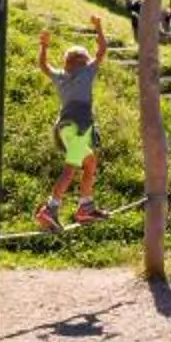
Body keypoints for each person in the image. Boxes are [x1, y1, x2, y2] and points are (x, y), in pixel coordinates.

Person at [36, 15, 107, 230]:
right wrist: (99, 27)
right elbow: (102, 50)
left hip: (65, 128)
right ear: (84, 62)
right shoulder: (86, 72)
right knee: (70, 169)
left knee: (90, 162)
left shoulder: (60, 76)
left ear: (66, 63)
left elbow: (43, 65)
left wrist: (44, 45)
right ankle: (50, 208)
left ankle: (85, 206)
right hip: (79, 127)